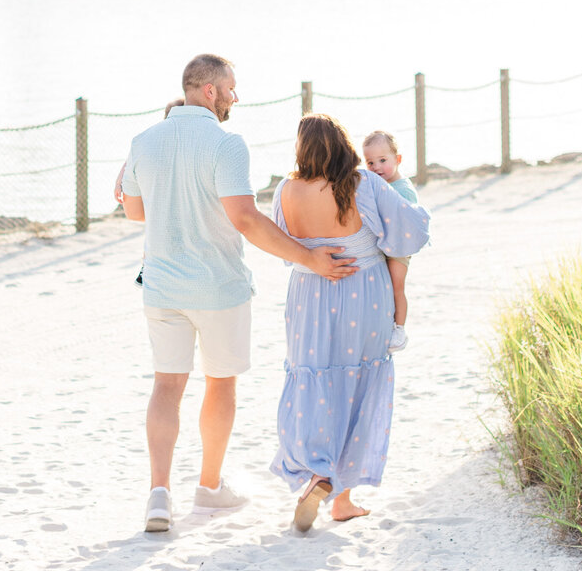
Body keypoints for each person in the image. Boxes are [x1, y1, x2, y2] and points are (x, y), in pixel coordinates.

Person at [120, 54, 357, 534]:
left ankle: (158, 494)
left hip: (162, 286)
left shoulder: (143, 141)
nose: (235, 96)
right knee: (220, 383)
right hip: (218, 287)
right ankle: (209, 487)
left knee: (166, 385)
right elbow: (245, 219)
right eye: (230, 88)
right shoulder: (226, 144)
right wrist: (308, 258)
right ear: (210, 91)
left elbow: (135, 213)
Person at [271, 113, 430, 530]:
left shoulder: (286, 190)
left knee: (314, 380)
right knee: (357, 383)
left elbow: (284, 245)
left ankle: (319, 472)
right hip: (364, 293)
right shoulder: (365, 184)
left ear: (301, 150)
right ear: (343, 145)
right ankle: (341, 497)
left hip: (309, 296)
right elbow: (410, 232)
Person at [361, 129, 424, 349]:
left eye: (382, 160)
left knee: (397, 287)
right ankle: (385, 323)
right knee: (384, 288)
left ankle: (400, 329)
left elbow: (405, 218)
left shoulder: (402, 189)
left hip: (399, 248)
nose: (376, 167)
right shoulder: (380, 184)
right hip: (386, 245)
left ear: (397, 160)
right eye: (370, 162)